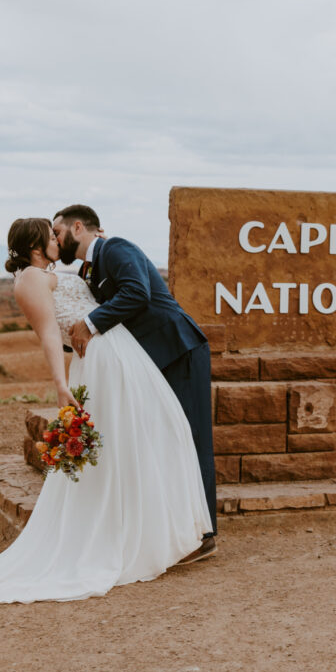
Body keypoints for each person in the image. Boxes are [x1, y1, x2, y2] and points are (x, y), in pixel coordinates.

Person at [0, 218, 212, 605]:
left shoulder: (47, 273)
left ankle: (159, 530)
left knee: (151, 433)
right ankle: (132, 536)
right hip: (103, 360)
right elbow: (49, 334)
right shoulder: (30, 280)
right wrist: (60, 386)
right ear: (38, 245)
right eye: (51, 235)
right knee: (126, 441)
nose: (58, 240)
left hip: (121, 354)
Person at [51, 205, 216, 561]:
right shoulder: (85, 269)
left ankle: (204, 535)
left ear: (78, 227)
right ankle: (173, 529)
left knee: (190, 437)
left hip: (178, 348)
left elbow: (137, 293)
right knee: (162, 439)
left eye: (58, 232)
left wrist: (91, 323)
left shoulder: (116, 248)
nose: (55, 239)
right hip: (148, 362)